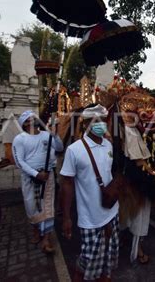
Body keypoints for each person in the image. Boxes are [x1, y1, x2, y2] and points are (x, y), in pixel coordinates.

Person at [60, 104, 119, 282]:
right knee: (87, 260)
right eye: (96, 121)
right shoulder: (74, 150)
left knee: (108, 255)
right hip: (90, 218)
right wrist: (66, 217)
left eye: (104, 120)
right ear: (86, 123)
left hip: (111, 210)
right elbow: (67, 184)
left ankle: (105, 277)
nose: (102, 124)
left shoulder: (108, 145)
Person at [12, 110, 63, 254]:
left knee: (47, 207)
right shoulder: (20, 139)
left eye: (34, 118)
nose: (33, 120)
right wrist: (35, 174)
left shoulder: (46, 135)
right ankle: (36, 229)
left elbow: (59, 148)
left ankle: (46, 239)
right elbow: (19, 162)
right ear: (25, 123)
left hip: (47, 176)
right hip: (31, 177)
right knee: (32, 207)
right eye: (29, 119)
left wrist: (55, 135)